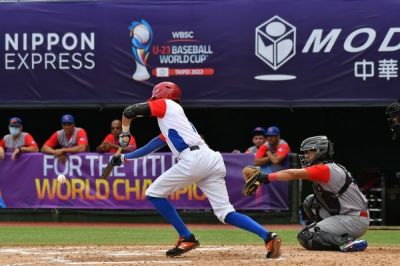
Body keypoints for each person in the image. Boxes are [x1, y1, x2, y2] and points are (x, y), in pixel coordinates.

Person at [110, 81, 281, 259]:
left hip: (193, 159)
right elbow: (150, 147)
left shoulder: (167, 105)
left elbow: (129, 112)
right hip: (211, 159)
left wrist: (125, 133)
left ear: (159, 96)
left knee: (154, 193)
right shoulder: (175, 120)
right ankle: (268, 237)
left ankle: (186, 237)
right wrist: (122, 157)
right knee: (225, 212)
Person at [244, 136, 369, 252]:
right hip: (348, 215)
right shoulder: (329, 167)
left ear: (321, 151)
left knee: (307, 236)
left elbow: (294, 174)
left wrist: (265, 177)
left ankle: (346, 242)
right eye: (306, 152)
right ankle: (326, 231)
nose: (307, 155)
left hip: (354, 219)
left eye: (311, 151)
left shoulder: (325, 168)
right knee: (310, 203)